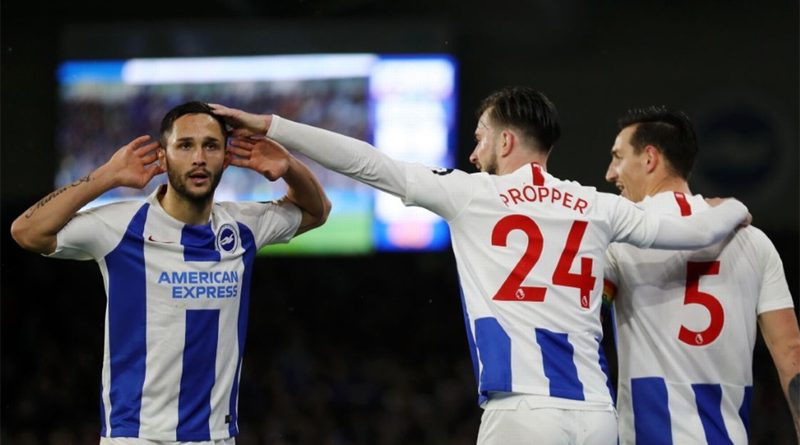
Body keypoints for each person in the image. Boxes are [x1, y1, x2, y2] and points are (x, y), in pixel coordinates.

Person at [210, 87, 750, 445]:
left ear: (507, 141)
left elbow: (369, 162)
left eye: (480, 138)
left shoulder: (473, 195)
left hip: (521, 415)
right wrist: (740, 209)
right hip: (594, 417)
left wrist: (273, 124)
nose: (473, 154)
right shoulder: (597, 205)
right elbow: (693, 232)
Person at [10, 101, 331, 443]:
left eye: (210, 146)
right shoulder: (122, 225)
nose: (198, 158)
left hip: (216, 436)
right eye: (185, 145)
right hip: (136, 436)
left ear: (225, 157)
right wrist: (106, 176)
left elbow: (317, 211)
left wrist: (289, 167)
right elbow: (27, 231)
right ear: (163, 157)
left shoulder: (244, 226)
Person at [601, 106, 800, 444]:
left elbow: (584, 311)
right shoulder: (754, 240)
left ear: (649, 158)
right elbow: (791, 353)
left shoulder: (620, 236)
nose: (610, 173)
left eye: (618, 157)